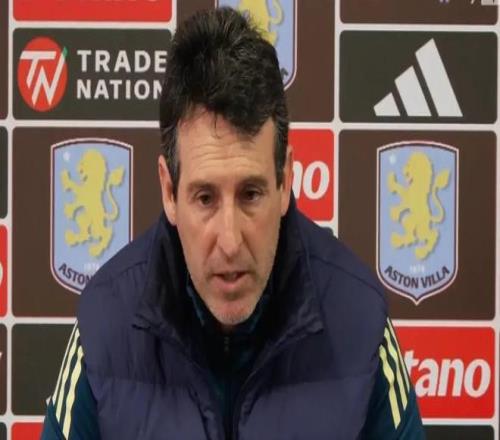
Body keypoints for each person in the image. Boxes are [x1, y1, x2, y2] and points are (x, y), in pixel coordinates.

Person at [41, 7, 425, 440]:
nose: (229, 241)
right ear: (169, 190)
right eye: (205, 198)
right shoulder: (105, 324)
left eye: (250, 194)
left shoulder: (359, 319)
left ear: (285, 180)